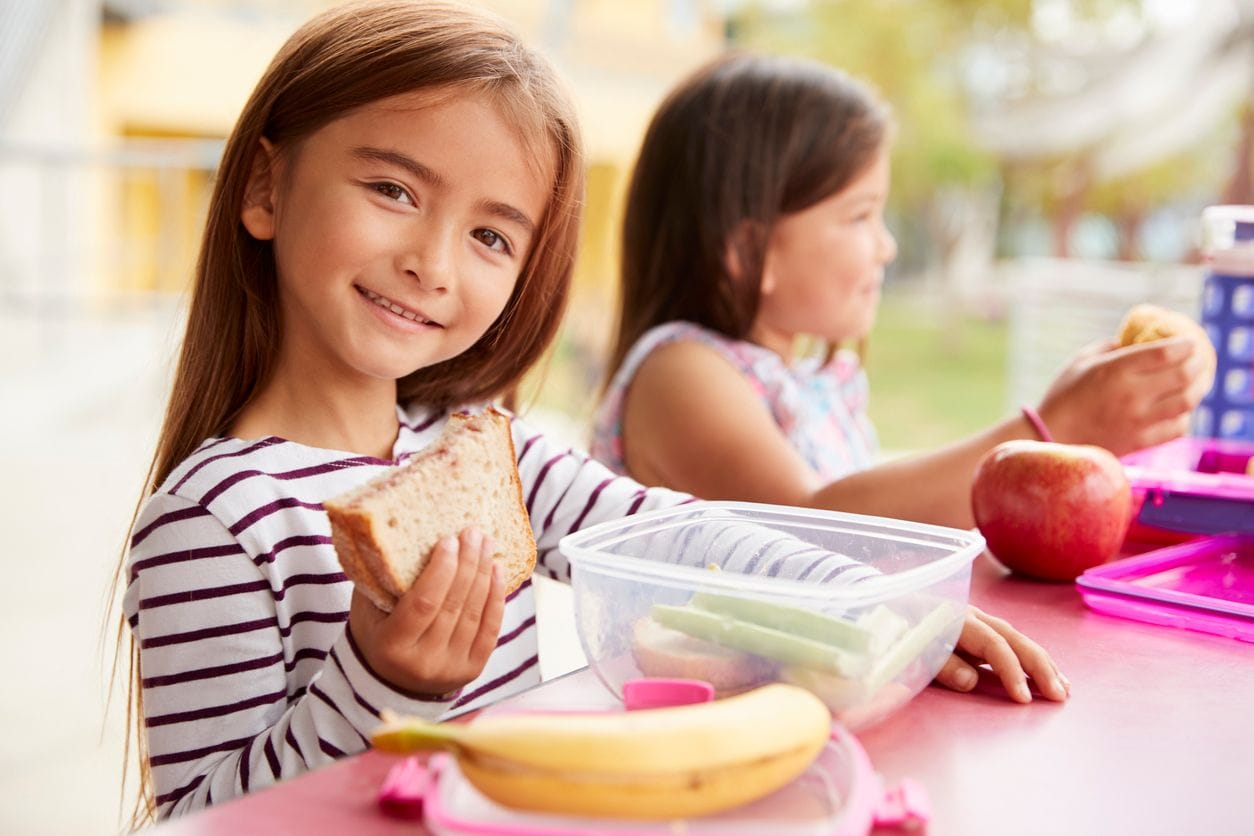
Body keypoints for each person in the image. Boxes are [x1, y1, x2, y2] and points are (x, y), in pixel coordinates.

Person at [115, 7, 1065, 823]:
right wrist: (378, 678)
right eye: (393, 190)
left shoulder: (491, 454)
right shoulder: (215, 519)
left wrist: (873, 610)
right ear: (265, 189)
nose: (434, 263)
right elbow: (208, 817)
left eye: (491, 234)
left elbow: (683, 541)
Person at [593, 51, 1210, 532]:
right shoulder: (679, 373)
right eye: (860, 216)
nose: (886, 247)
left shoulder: (806, 380)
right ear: (747, 251)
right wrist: (1051, 429)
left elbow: (890, 509)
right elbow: (813, 527)